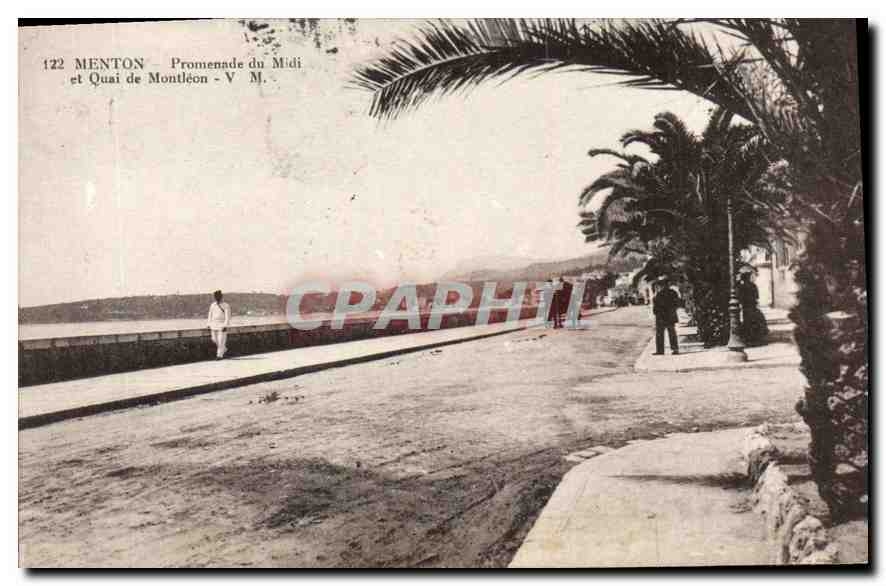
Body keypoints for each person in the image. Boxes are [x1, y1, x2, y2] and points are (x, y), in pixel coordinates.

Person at [737, 271, 769, 346]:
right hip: (752, 306)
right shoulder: (753, 285)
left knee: (748, 322)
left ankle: (749, 338)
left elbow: (740, 298)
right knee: (756, 321)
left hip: (746, 307)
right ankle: (756, 338)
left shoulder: (741, 287)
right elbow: (757, 297)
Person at [652, 276, 680, 355]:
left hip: (661, 316)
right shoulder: (673, 293)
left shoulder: (659, 294)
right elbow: (677, 304)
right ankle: (675, 349)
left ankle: (660, 350)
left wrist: (656, 313)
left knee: (660, 334)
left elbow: (656, 307)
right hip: (670, 315)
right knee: (672, 333)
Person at [207, 290, 231, 360]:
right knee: (214, 340)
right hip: (213, 324)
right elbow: (210, 315)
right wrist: (208, 324)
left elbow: (227, 317)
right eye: (215, 296)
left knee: (221, 340)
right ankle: (224, 349)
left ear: (221, 296)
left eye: (218, 296)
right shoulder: (212, 305)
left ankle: (219, 355)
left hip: (221, 324)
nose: (216, 297)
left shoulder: (226, 305)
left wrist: (225, 326)